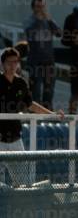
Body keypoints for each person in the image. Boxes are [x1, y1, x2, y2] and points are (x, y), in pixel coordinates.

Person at [0, 48, 61, 186]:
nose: (12, 65)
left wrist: (52, 115)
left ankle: (19, 206)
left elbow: (30, 104)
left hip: (15, 137)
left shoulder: (21, 83)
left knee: (21, 182)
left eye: (15, 62)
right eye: (9, 62)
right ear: (3, 64)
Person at [24, 0, 61, 109]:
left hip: (49, 62)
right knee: (35, 91)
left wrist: (49, 20)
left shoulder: (48, 20)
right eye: (37, 6)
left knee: (48, 91)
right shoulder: (29, 21)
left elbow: (59, 33)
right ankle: (35, 117)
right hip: (35, 62)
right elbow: (30, 33)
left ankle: (47, 115)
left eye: (42, 6)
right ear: (33, 8)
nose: (40, 9)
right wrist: (39, 20)